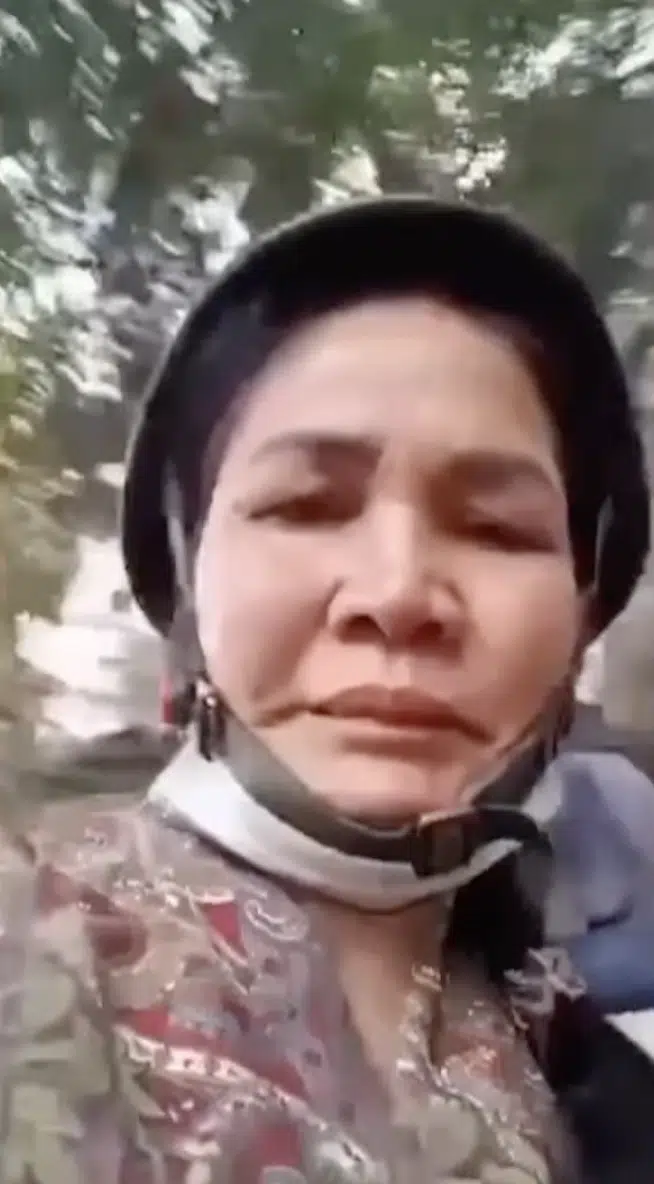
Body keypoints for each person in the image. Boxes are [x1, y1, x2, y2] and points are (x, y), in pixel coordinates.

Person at [6, 197, 654, 1184]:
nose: (398, 594)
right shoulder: (31, 935)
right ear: (188, 574)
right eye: (305, 506)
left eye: (495, 527)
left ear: (582, 606)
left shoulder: (591, 1057)